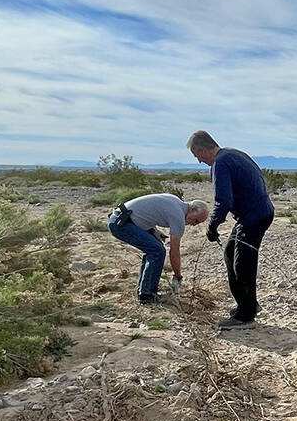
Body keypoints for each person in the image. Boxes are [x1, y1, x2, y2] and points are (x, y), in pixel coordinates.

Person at [186, 130, 275, 330]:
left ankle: (246, 316)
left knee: (243, 263)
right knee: (229, 254)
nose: (199, 161)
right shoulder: (232, 154)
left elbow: (223, 200)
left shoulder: (221, 162)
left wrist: (212, 226)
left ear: (202, 150)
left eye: (197, 156)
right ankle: (247, 305)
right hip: (254, 214)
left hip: (254, 217)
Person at [107, 193, 209, 304]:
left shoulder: (176, 202)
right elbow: (174, 252)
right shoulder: (178, 216)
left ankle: (144, 290)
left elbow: (148, 211)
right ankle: (147, 296)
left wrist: (153, 231)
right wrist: (178, 276)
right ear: (193, 209)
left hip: (121, 218)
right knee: (157, 251)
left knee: (155, 248)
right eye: (196, 221)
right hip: (121, 223)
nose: (194, 225)